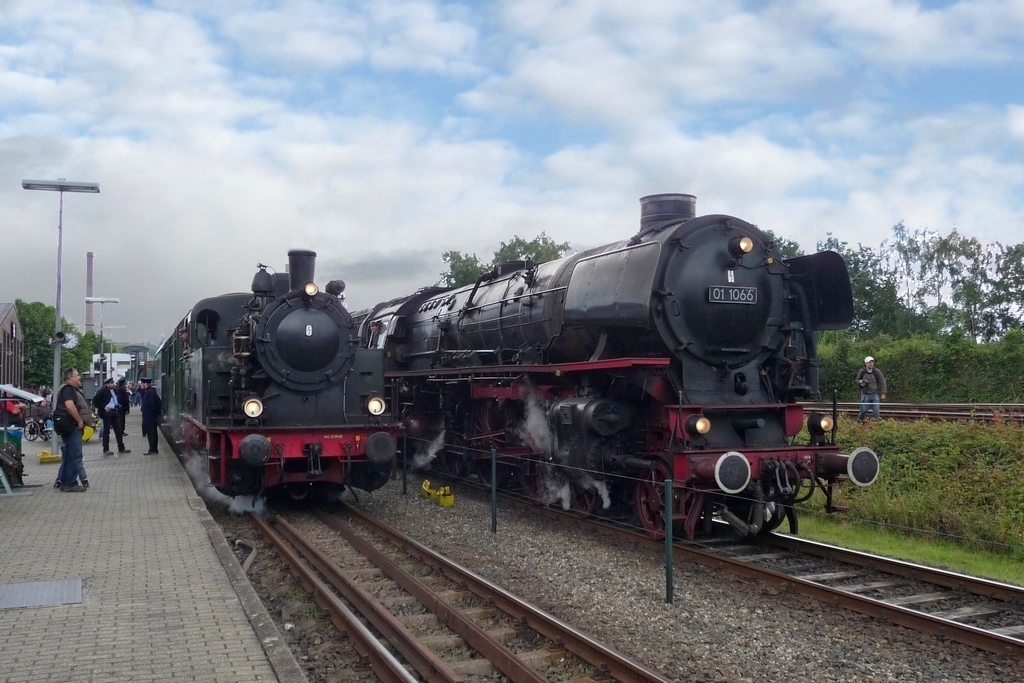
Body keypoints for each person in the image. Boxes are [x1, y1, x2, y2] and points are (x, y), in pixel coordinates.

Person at [53, 367, 92, 492]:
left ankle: (65, 482)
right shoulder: (68, 389)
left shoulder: (67, 389)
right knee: (74, 454)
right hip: (72, 426)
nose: (79, 377)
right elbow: (69, 405)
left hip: (69, 425)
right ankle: (70, 483)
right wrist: (80, 421)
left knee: (69, 454)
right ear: (70, 378)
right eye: (77, 375)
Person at [93, 377, 130, 455]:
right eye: (111, 383)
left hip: (114, 411)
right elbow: (95, 400)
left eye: (113, 383)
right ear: (107, 384)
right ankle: (106, 449)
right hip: (107, 413)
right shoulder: (102, 391)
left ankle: (121, 447)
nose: (113, 384)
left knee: (118, 430)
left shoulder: (114, 390)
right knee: (106, 431)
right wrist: (103, 407)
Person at [856, 356, 887, 421]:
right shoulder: (862, 371)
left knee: (876, 413)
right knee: (863, 411)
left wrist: (883, 392)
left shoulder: (876, 371)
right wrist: (860, 381)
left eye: (872, 362)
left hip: (875, 394)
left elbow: (882, 381)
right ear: (866, 363)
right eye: (869, 362)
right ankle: (860, 422)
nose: (871, 364)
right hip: (865, 394)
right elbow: (857, 380)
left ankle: (875, 425)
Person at [139, 377, 162, 454]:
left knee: (151, 434)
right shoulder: (149, 391)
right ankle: (153, 449)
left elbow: (153, 405)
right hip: (150, 417)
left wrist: (152, 415)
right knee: (151, 433)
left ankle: (153, 449)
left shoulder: (150, 392)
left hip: (150, 417)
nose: (140, 385)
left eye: (142, 383)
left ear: (145, 384)